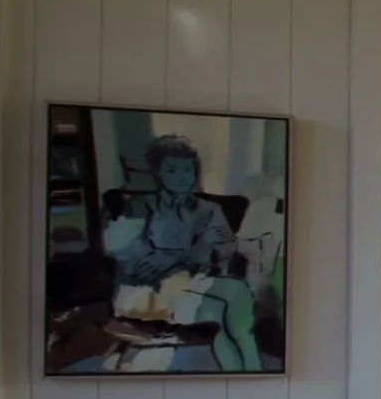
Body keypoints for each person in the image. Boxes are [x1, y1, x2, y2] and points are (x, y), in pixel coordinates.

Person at [101, 133, 263, 372]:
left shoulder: (209, 210)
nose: (182, 178)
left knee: (237, 295)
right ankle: (249, 375)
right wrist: (199, 249)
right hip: (145, 291)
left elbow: (226, 249)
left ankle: (250, 373)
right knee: (223, 311)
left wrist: (174, 256)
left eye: (188, 170)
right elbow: (127, 254)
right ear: (158, 173)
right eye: (173, 170)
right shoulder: (139, 207)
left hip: (196, 282)